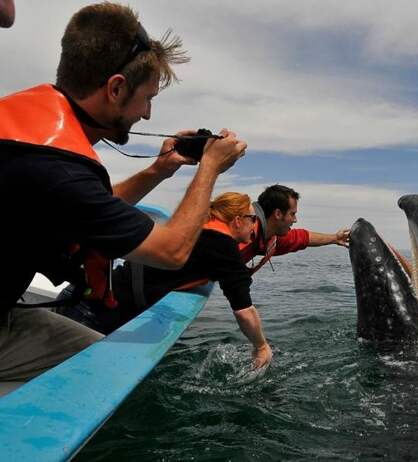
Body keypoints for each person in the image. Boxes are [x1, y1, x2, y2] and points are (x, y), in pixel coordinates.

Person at [0, 2, 246, 384]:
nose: (146, 114)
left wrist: (159, 170)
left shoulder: (26, 132)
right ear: (116, 88)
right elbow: (172, 252)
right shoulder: (58, 170)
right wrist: (210, 169)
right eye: (148, 98)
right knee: (108, 371)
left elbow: (88, 207)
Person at [58, 185, 350, 369]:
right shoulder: (227, 244)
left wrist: (335, 238)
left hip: (94, 297)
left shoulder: (223, 229)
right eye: (293, 213)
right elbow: (243, 308)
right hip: (96, 309)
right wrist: (261, 346)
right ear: (238, 221)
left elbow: (299, 238)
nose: (296, 220)